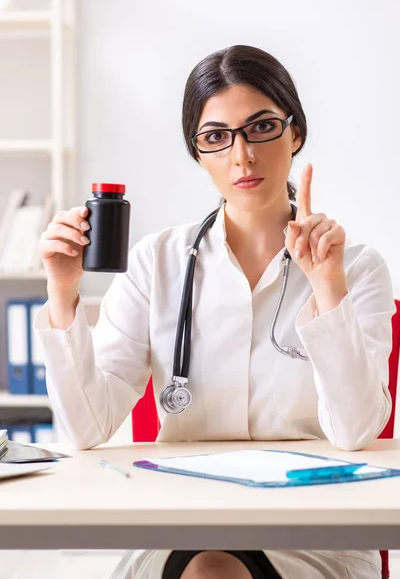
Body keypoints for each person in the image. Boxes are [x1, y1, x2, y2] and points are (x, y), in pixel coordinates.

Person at [36, 45, 395, 579]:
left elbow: (355, 430)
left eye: (262, 127)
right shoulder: (156, 263)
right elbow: (85, 429)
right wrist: (63, 294)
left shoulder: (357, 270)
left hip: (314, 527)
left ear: (295, 134)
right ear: (198, 152)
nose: (242, 155)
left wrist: (327, 290)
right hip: (181, 519)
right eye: (216, 137)